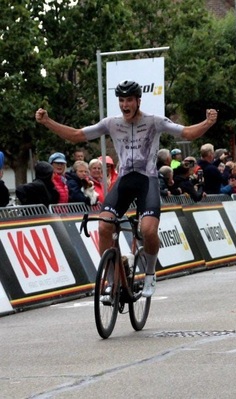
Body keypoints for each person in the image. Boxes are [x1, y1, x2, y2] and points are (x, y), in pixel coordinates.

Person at [35, 80, 218, 297]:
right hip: (123, 181)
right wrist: (47, 122)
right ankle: (113, 280)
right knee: (104, 227)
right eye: (121, 100)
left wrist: (207, 122)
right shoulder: (111, 123)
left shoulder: (154, 121)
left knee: (148, 230)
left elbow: (187, 133)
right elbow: (76, 135)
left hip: (147, 181)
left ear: (138, 101)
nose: (125, 105)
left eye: (129, 100)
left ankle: (150, 273)